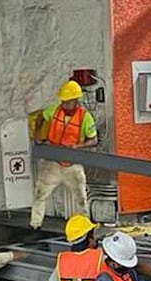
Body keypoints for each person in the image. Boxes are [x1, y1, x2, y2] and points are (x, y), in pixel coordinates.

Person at [29, 80, 99, 230]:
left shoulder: (85, 117)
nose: (65, 105)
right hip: (52, 162)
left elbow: (94, 140)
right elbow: (41, 117)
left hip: (72, 163)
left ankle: (85, 227)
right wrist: (38, 135)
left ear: (76, 101)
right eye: (64, 102)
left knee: (81, 197)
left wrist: (78, 146)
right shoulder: (54, 109)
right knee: (40, 194)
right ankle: (35, 225)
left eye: (68, 102)